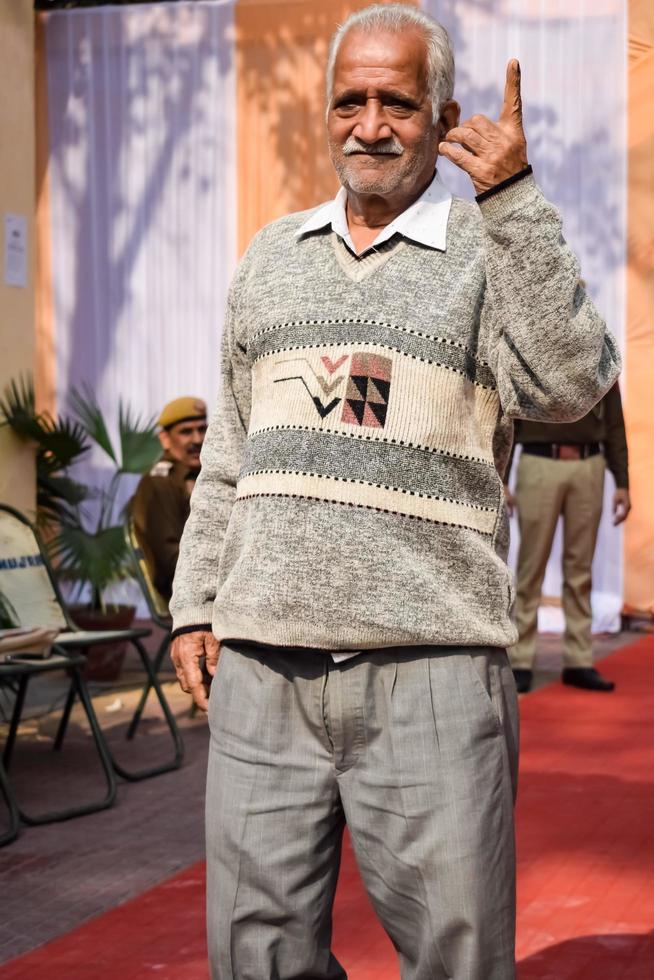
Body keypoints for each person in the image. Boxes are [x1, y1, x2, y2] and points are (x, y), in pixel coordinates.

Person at [169, 6, 620, 978]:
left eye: (397, 102)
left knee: (457, 956)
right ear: (328, 112)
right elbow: (230, 453)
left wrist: (514, 202)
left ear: (443, 112)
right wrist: (196, 604)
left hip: (432, 665)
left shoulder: (488, 252)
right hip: (264, 670)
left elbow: (575, 384)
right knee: (255, 956)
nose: (370, 123)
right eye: (351, 100)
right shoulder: (268, 257)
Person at [505, 382, 630, 694]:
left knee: (580, 569)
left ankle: (579, 660)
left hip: (589, 466)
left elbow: (614, 421)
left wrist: (622, 482)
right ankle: (521, 660)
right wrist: (502, 475)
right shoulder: (531, 345)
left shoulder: (600, 353)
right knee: (530, 569)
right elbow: (508, 415)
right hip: (538, 463)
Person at [131, 396, 207, 602]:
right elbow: (170, 558)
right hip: (186, 591)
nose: (198, 440)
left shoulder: (207, 476)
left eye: (202, 429)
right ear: (164, 439)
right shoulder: (159, 482)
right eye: (186, 432)